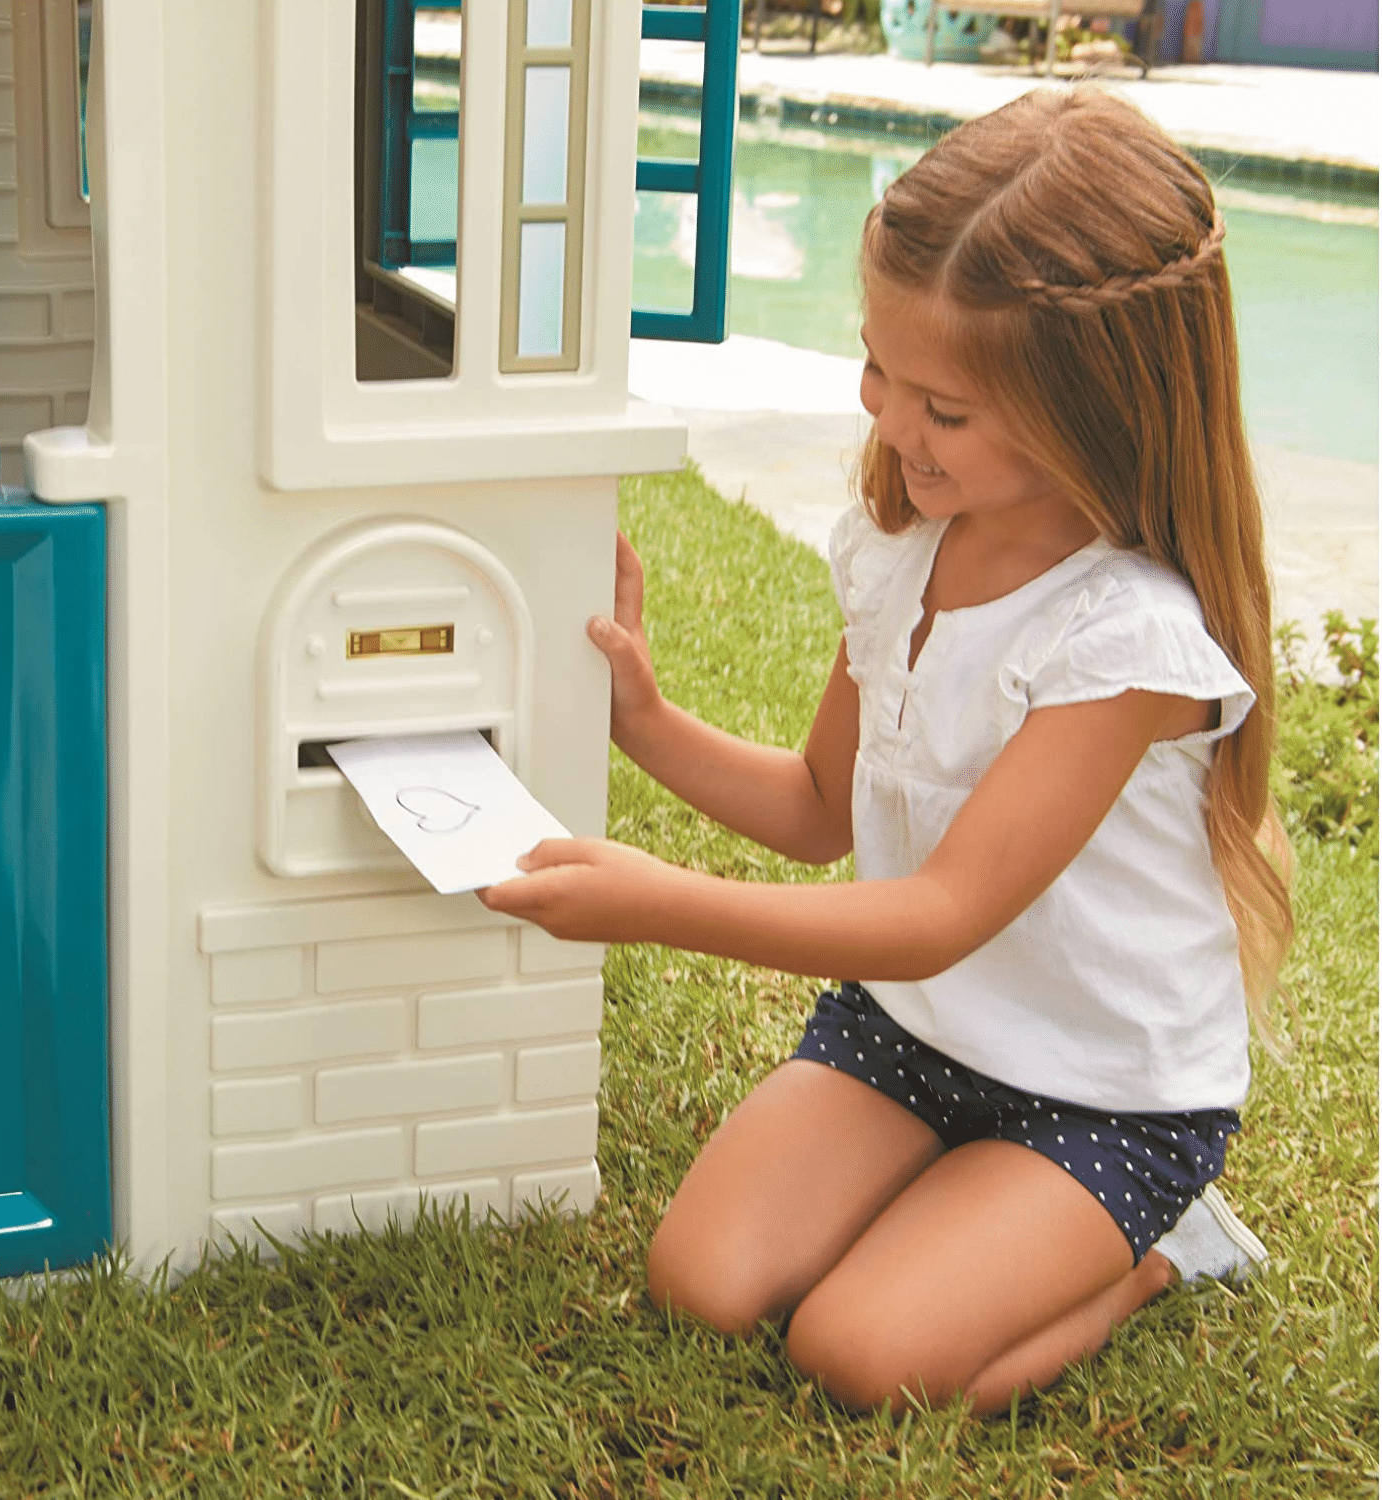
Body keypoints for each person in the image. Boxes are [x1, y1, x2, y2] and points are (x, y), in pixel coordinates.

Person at [481, 87, 1291, 1416]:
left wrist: (655, 902)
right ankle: (969, 1203)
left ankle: (1156, 1252)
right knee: (703, 1283)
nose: (894, 426)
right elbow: (819, 806)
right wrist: (646, 721)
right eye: (877, 370)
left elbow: (938, 914)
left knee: (860, 1358)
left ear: (1096, 406)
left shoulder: (1124, 641)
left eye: (945, 409)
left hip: (1104, 1093)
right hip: (911, 1034)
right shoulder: (898, 552)